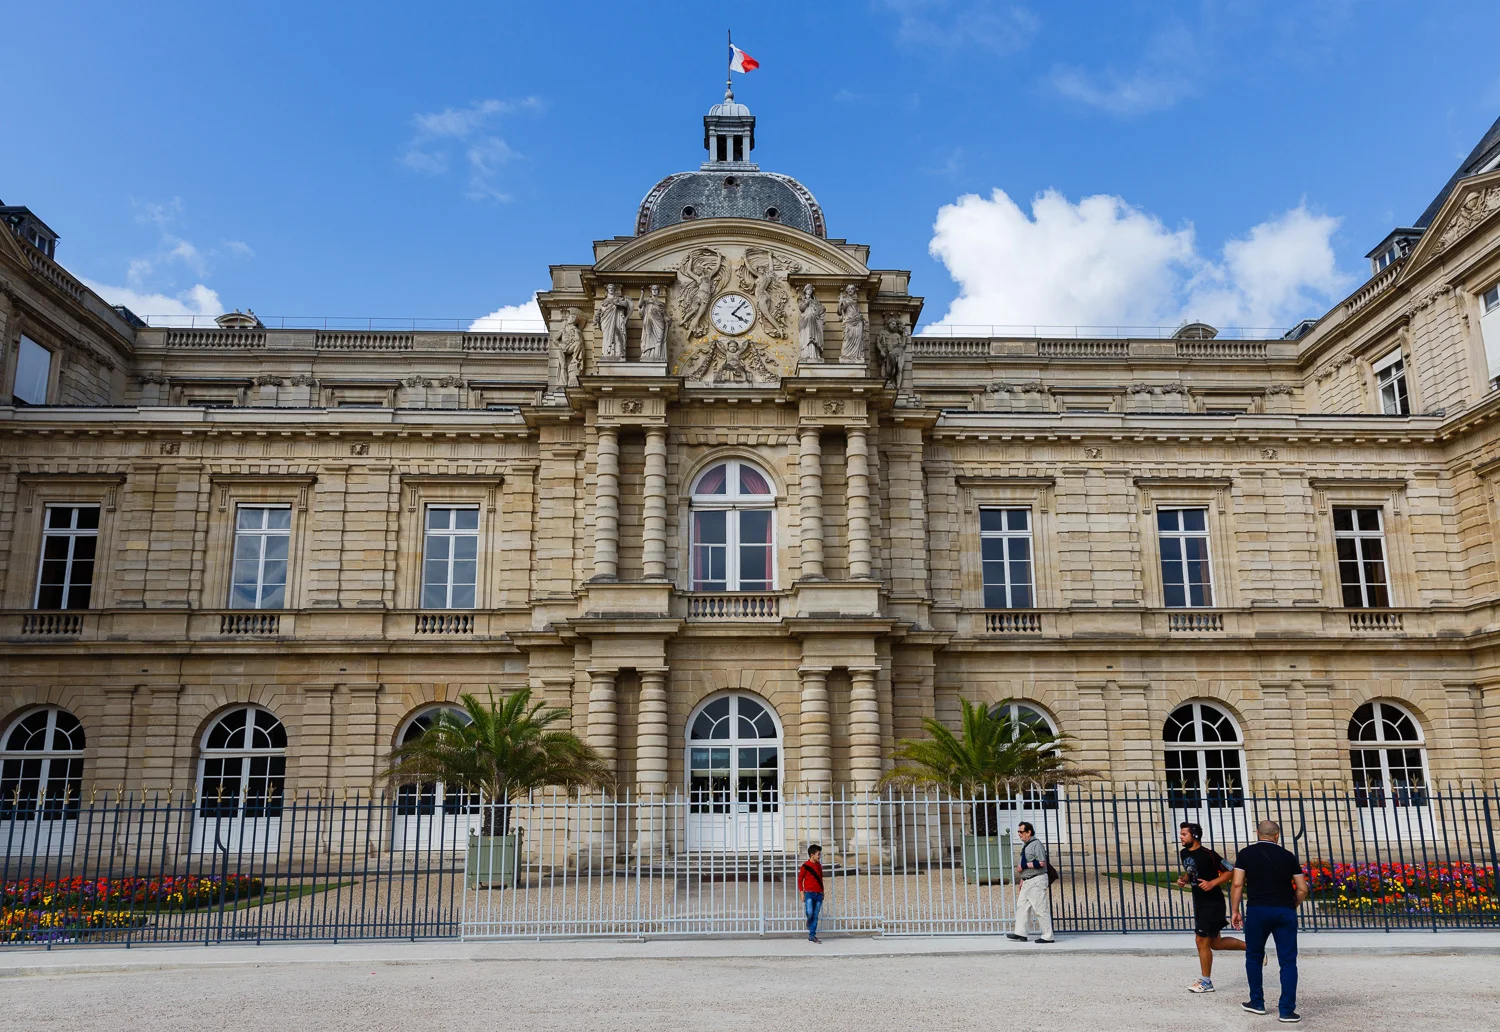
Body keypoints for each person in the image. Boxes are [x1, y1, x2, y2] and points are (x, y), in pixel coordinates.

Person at [1231, 820, 1310, 1023]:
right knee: (1288, 961)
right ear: (1277, 835)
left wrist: (1234, 910)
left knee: (1254, 956)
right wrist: (1293, 905)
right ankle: (1287, 1010)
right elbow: (1302, 888)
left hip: (1258, 908)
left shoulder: (1246, 854)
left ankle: (1257, 1002)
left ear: (1258, 833)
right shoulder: (1288, 856)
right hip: (1284, 909)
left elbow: (1238, 883)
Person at [1176, 821, 1245, 993]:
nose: (1180, 837)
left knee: (1200, 940)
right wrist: (1184, 879)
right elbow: (1190, 868)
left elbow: (1231, 870)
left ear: (1195, 836)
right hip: (1199, 902)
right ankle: (1255, 949)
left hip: (1213, 903)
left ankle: (1206, 982)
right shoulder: (1183, 853)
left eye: (1184, 834)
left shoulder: (1209, 854)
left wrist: (1213, 882)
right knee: (1216, 943)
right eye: (1181, 834)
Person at [1006, 821, 1054, 943]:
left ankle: (1048, 936)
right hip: (1028, 881)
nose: (1019, 834)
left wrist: (1024, 865)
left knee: (1040, 909)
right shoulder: (1027, 845)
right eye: (1018, 832)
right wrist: (1023, 879)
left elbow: (1042, 862)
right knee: (1022, 907)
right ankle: (1020, 933)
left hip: (1036, 881)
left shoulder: (1036, 844)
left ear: (1029, 832)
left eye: (1021, 832)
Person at [799, 843, 825, 943]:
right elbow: (800, 880)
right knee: (810, 913)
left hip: (818, 894)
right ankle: (809, 923)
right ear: (812, 855)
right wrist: (802, 893)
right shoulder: (805, 866)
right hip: (809, 893)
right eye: (818, 854)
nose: (819, 856)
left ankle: (812, 935)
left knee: (815, 915)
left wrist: (823, 891)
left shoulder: (819, 866)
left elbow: (820, 879)